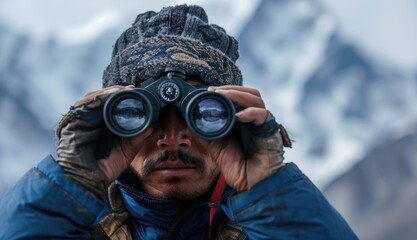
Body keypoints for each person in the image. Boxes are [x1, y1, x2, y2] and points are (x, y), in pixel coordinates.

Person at [0, 4, 357, 240]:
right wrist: (70, 181)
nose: (172, 139)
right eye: (139, 114)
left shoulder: (264, 229)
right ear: (111, 123)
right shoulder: (74, 228)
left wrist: (269, 192)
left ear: (234, 120)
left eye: (203, 114)